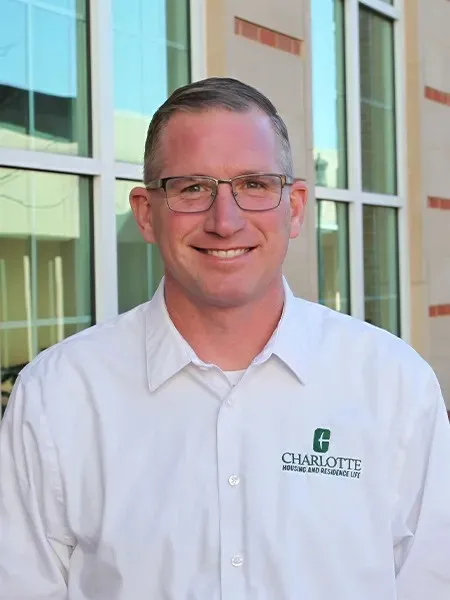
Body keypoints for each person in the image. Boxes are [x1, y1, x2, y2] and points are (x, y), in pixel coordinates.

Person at [0, 77, 449, 600]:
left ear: (296, 206)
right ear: (147, 213)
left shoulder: (395, 385)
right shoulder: (58, 397)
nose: (225, 221)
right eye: (192, 188)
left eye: (254, 184)